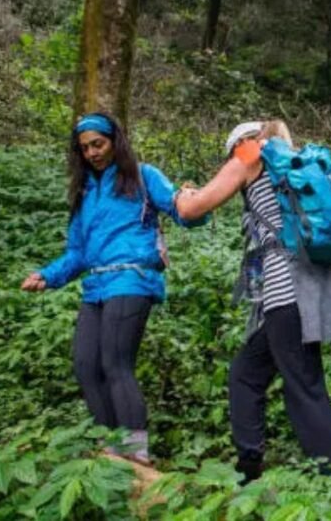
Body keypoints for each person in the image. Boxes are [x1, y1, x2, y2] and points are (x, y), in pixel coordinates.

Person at [174, 120, 331, 481]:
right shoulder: (303, 168)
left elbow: (193, 209)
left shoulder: (249, 157)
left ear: (243, 143)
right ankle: (249, 469)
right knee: (245, 375)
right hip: (315, 287)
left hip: (284, 288)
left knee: (304, 387)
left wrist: (180, 196)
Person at [21, 112, 207, 466]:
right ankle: (110, 447)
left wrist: (197, 202)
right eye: (85, 148)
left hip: (132, 277)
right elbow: (78, 251)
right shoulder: (85, 193)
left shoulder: (142, 175)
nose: (92, 152)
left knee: (116, 363)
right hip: (96, 285)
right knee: (85, 365)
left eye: (98, 144)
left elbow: (183, 211)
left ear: (115, 141)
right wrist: (48, 275)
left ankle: (134, 452)